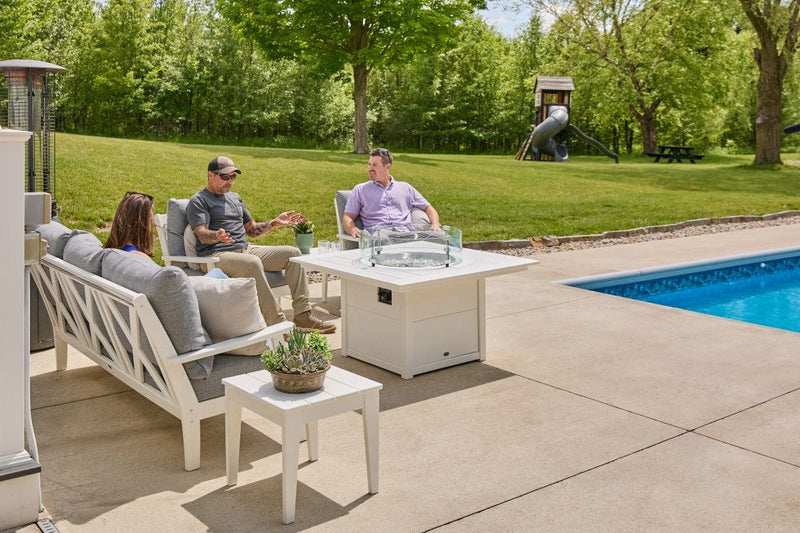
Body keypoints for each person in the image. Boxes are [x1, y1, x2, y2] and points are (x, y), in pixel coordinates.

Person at [186, 155, 335, 333]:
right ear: (210, 175)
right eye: (225, 176)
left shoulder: (235, 198)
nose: (230, 181)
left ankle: (303, 315)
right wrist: (217, 235)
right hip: (216, 255)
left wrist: (274, 223)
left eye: (233, 177)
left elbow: (252, 230)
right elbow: (202, 234)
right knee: (252, 263)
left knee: (293, 254)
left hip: (245, 249)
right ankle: (278, 326)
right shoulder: (199, 201)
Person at [342, 147, 441, 239]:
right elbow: (348, 217)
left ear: (387, 167)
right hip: (380, 237)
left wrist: (435, 224)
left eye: (375, 165)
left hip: (407, 235)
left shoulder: (405, 187)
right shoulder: (360, 190)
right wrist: (352, 229)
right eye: (369, 164)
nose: (370, 169)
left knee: (442, 240)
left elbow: (428, 208)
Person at [104, 191, 156, 259]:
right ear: (143, 222)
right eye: (151, 216)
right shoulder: (140, 258)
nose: (153, 221)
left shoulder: (108, 253)